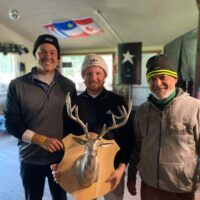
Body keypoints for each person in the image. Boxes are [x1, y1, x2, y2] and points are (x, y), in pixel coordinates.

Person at [3, 34, 77, 200]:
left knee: (60, 197)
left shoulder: (68, 86)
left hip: (59, 158)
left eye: (52, 52)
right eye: (42, 51)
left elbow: (72, 123)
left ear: (57, 56)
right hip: (30, 158)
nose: (48, 56)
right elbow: (11, 123)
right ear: (35, 54)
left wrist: (71, 154)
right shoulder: (17, 85)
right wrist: (40, 140)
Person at [52, 54, 134, 200]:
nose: (93, 77)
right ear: (83, 76)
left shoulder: (118, 102)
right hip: (82, 169)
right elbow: (67, 139)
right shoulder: (73, 105)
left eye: (98, 73)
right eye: (89, 73)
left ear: (105, 75)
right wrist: (60, 164)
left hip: (112, 168)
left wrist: (121, 169)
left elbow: (128, 140)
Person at [127, 54, 200, 200]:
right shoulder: (142, 111)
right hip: (149, 187)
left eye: (163, 77)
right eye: (152, 79)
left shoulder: (195, 108)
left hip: (182, 189)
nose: (158, 83)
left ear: (175, 79)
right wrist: (131, 176)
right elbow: (136, 146)